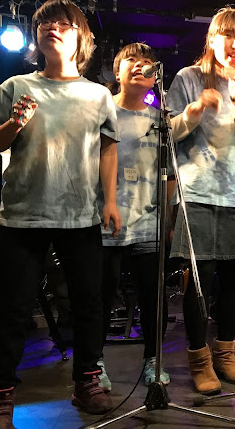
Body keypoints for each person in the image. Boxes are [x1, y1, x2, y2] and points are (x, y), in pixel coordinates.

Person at [0, 0, 120, 426]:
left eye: (62, 23)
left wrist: (110, 200)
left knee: (88, 304)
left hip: (81, 216)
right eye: (44, 24)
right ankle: (1, 395)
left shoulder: (98, 95)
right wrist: (14, 124)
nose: (51, 28)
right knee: (14, 309)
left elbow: (108, 149)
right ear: (36, 36)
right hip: (24, 215)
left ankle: (87, 382)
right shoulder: (15, 87)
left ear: (82, 37)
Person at [166, 6, 235, 395]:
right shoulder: (187, 78)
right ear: (212, 38)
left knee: (234, 280)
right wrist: (194, 110)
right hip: (196, 191)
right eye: (230, 36)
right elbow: (169, 132)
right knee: (200, 277)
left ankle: (226, 354)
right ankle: (199, 358)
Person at [96, 42, 170, 392]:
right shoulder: (103, 109)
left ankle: (154, 359)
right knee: (100, 296)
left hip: (148, 222)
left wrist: (168, 221)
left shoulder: (161, 119)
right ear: (117, 71)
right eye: (131, 61)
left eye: (147, 62)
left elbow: (168, 175)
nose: (140, 66)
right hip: (103, 221)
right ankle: (93, 364)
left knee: (153, 297)